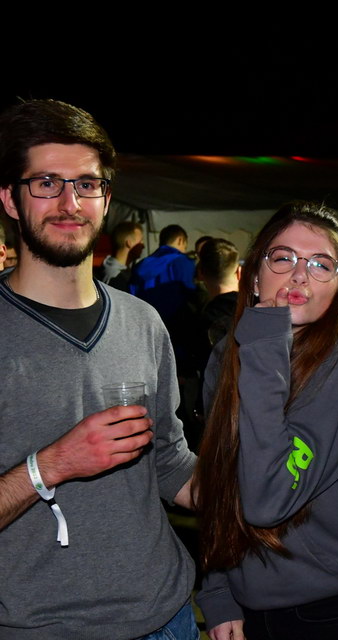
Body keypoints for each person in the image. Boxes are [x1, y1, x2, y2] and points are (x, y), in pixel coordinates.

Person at [0, 99, 197, 639]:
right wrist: (53, 464)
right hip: (40, 627)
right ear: (11, 199)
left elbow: (170, 462)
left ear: (106, 199)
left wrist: (254, 481)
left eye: (86, 184)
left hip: (168, 616)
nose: (70, 203)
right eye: (46, 183)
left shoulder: (143, 321)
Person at [195, 201, 338, 640]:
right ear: (254, 275)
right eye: (283, 258)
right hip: (251, 610)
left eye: (321, 264)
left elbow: (267, 500)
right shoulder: (227, 357)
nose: (299, 275)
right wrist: (218, 591)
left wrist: (264, 345)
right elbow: (219, 478)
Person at [97, 220, 144, 291]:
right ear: (129, 243)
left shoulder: (113, 270)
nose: (143, 246)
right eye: (141, 241)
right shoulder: (115, 278)